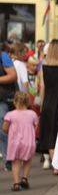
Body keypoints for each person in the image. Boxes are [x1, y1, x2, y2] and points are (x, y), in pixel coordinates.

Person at [38, 40, 58, 173]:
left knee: (50, 135)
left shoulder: (43, 67)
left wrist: (41, 104)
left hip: (48, 103)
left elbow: (43, 88)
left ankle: (55, 165)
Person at [3, 91, 38, 191]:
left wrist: (9, 133)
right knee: (27, 160)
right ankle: (24, 178)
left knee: (15, 162)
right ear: (28, 102)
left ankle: (16, 183)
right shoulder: (32, 114)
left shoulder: (10, 115)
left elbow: (5, 127)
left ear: (14, 102)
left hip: (15, 142)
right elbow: (36, 127)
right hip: (28, 142)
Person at [0, 41, 18, 169]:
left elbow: (13, 75)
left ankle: (8, 158)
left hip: (2, 98)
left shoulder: (3, 56)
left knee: (3, 126)